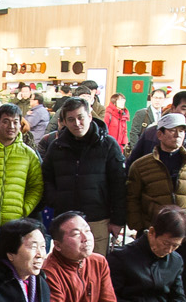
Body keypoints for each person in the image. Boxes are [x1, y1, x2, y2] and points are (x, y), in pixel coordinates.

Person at [124, 113, 186, 295]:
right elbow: (132, 197)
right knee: (148, 278)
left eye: (182, 131)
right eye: (172, 131)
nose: (178, 135)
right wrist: (139, 225)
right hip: (153, 231)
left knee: (182, 279)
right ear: (160, 134)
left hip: (185, 231)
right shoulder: (141, 166)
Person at [40, 96, 127, 256]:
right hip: (66, 218)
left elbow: (119, 185)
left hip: (98, 219)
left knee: (95, 268)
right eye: (71, 119)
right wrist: (55, 199)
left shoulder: (108, 144)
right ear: (64, 122)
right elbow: (46, 178)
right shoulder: (57, 146)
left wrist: (117, 220)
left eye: (80, 118)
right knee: (66, 269)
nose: (77, 123)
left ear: (89, 116)